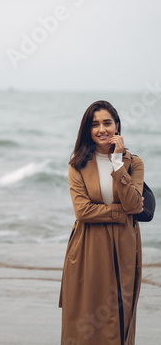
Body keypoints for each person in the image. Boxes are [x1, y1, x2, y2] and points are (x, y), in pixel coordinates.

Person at [59, 100, 144, 345]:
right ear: (88, 130)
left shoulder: (133, 163)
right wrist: (121, 213)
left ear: (117, 126)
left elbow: (133, 203)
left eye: (107, 122)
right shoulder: (78, 164)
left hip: (125, 245)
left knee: (118, 311)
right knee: (85, 314)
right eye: (95, 124)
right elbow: (83, 212)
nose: (102, 129)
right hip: (87, 246)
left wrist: (117, 163)